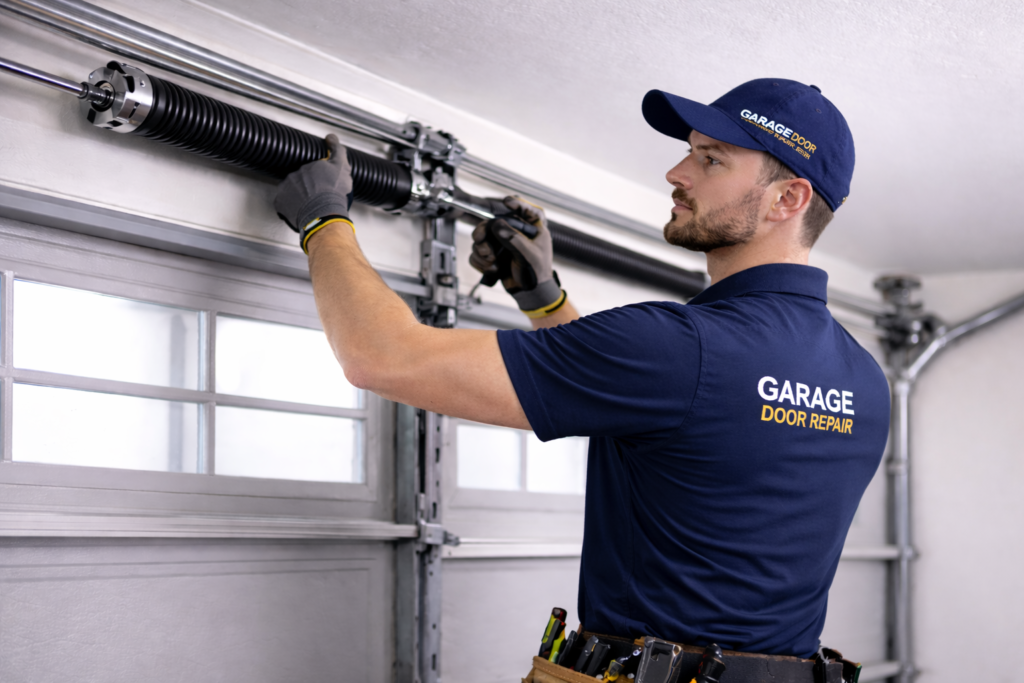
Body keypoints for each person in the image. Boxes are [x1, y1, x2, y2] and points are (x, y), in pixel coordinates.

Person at [273, 78, 890, 659]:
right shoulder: (864, 382)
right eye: (690, 152)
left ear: (789, 198)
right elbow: (677, 418)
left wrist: (325, 222)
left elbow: (384, 358)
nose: (676, 173)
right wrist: (543, 298)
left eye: (713, 159)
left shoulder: (681, 347)